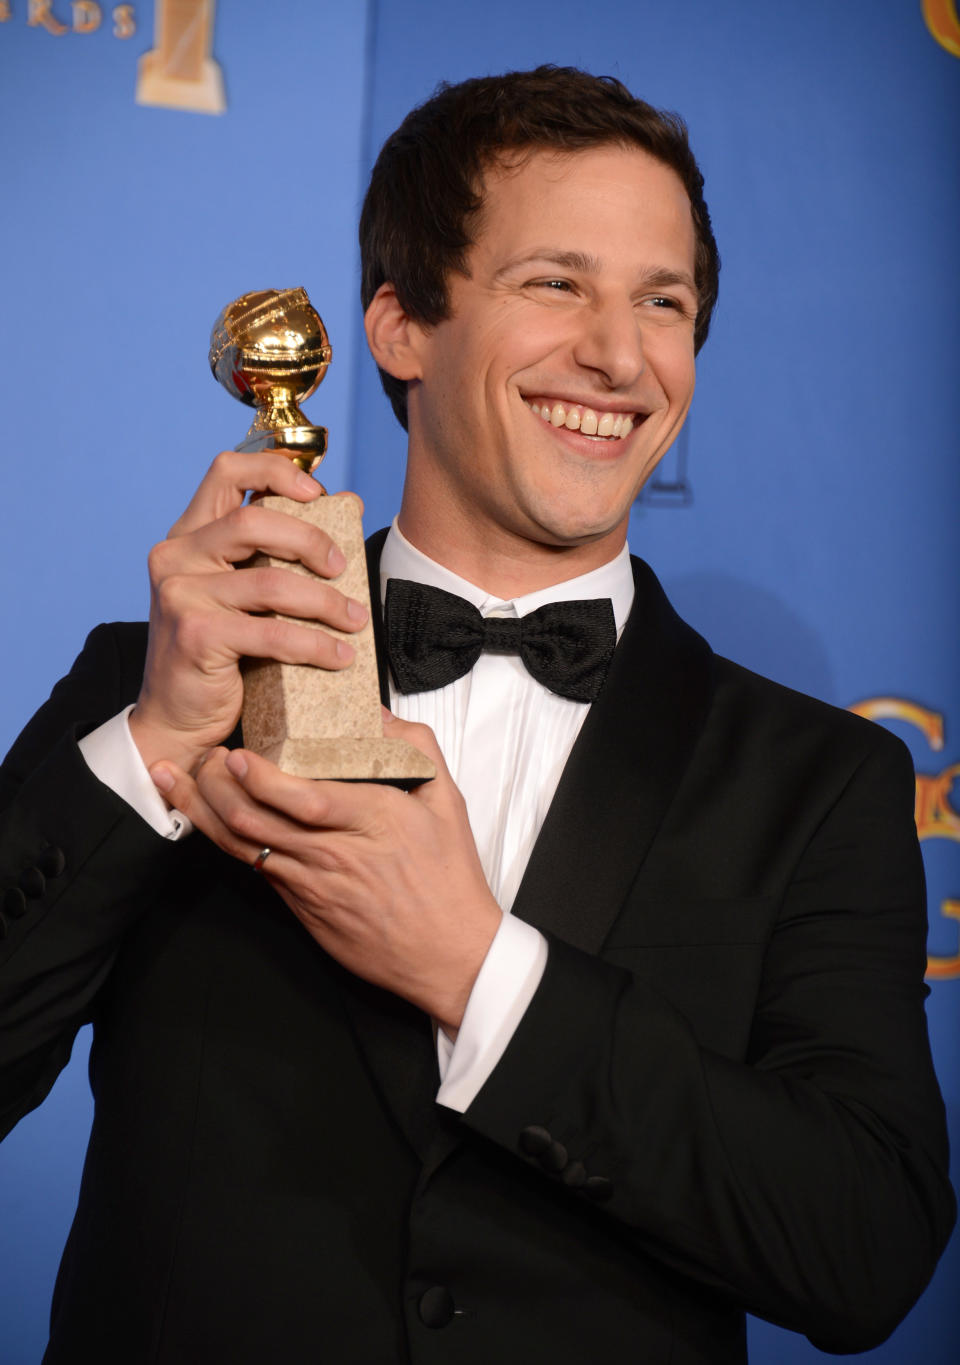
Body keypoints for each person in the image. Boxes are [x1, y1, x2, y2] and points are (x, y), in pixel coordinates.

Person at [0, 67, 953, 1365]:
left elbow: (865, 1248)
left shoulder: (818, 779)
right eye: (557, 283)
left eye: (661, 302)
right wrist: (153, 747)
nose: (620, 356)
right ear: (401, 325)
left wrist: (480, 971)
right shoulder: (159, 685)